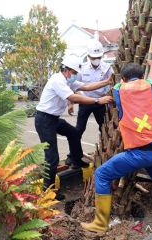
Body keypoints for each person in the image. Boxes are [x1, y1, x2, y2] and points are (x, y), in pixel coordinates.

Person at [80, 60, 152, 233]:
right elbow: (151, 80)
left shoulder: (118, 91)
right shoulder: (150, 88)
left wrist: (122, 80)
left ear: (123, 78)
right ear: (141, 76)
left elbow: (119, 85)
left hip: (139, 153)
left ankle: (100, 223)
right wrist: (151, 66)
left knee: (102, 174)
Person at [35, 55, 113, 200]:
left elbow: (87, 86)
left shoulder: (67, 80)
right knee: (52, 157)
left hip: (53, 118)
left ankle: (76, 160)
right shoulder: (58, 81)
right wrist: (98, 100)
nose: (75, 76)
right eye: (74, 73)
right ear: (67, 70)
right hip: (44, 120)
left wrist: (107, 82)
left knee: (74, 133)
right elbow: (73, 98)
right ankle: (48, 192)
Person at [66, 39, 113, 166]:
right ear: (88, 56)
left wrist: (107, 98)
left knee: (104, 129)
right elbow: (75, 86)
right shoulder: (82, 68)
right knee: (79, 130)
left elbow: (111, 85)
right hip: (85, 101)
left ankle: (107, 154)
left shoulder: (107, 68)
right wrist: (71, 102)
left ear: (102, 55)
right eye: (93, 57)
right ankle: (72, 156)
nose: (96, 59)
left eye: (98, 57)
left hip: (101, 103)